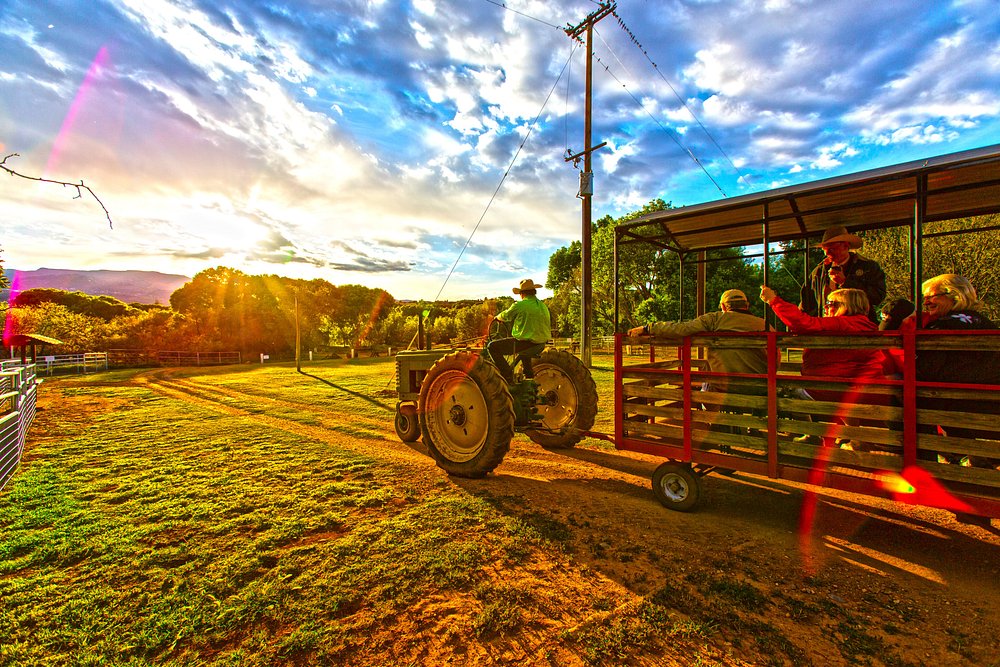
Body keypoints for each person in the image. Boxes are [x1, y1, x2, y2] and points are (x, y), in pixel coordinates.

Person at [761, 285, 884, 447]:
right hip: (850, 383)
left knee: (785, 392)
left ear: (847, 306)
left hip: (831, 386)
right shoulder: (864, 325)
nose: (825, 307)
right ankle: (855, 437)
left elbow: (803, 323)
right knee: (843, 400)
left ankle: (811, 433)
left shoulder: (841, 323)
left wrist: (773, 300)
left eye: (831, 303)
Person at [915, 274, 1000, 468]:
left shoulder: (941, 326)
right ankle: (969, 455)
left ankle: (926, 459)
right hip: (988, 397)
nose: (926, 302)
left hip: (956, 400)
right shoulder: (984, 322)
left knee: (904, 393)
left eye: (931, 296)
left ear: (953, 295)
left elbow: (925, 368)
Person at [628, 289, 769, 393]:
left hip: (721, 386)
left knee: (705, 383)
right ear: (747, 305)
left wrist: (648, 328)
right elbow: (775, 357)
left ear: (723, 306)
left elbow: (682, 328)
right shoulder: (764, 324)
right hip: (759, 387)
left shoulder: (714, 319)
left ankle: (708, 418)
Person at [800, 225, 886, 323]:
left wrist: (845, 282)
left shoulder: (868, 267)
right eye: (824, 249)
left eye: (832, 249)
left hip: (859, 327)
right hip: (827, 327)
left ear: (846, 246)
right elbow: (806, 303)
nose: (827, 253)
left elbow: (878, 297)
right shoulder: (818, 272)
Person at [486, 279, 552, 383]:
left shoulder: (520, 305)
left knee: (492, 347)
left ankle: (507, 376)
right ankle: (529, 376)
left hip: (525, 343)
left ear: (522, 294)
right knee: (524, 351)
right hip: (540, 344)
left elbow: (506, 315)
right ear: (534, 292)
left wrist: (497, 318)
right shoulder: (543, 306)